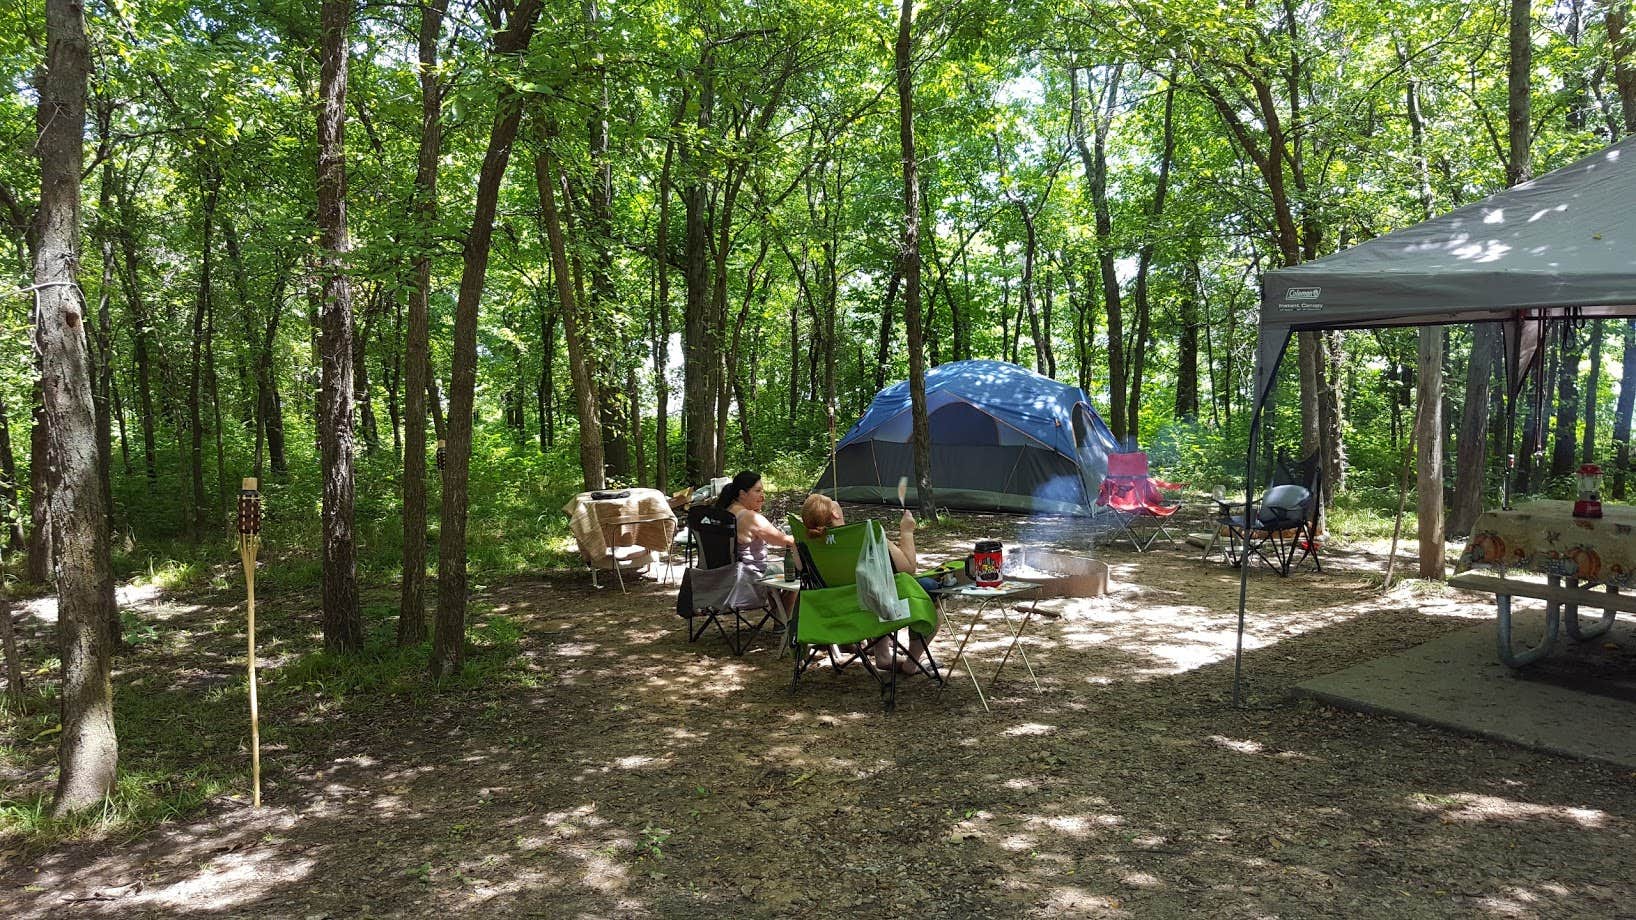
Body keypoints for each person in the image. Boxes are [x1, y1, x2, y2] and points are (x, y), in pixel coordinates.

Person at [799, 493, 938, 673]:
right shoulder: (865, 534)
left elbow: (800, 570)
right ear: (835, 513)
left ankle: (883, 654)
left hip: (834, 612)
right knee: (932, 588)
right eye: (833, 502)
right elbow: (909, 568)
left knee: (872, 587)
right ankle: (911, 664)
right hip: (876, 607)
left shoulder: (806, 542)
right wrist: (906, 531)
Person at [716, 470, 794, 576]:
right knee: (788, 571)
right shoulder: (751, 518)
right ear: (742, 494)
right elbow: (785, 541)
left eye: (762, 491)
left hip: (726, 574)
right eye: (757, 491)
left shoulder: (726, 510)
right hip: (751, 575)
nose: (762, 496)